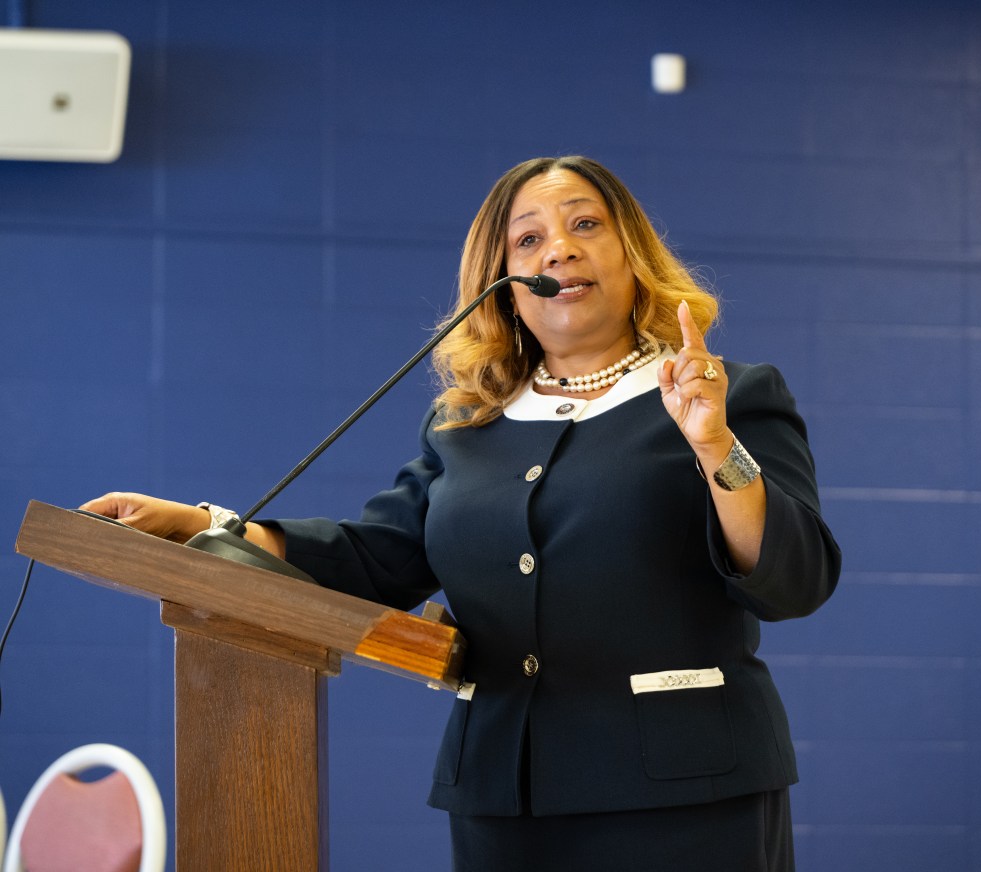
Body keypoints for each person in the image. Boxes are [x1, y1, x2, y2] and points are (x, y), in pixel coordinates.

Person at [81, 155, 841, 871]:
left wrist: (713, 446)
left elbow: (792, 580)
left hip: (688, 790)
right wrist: (203, 526)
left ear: (631, 252)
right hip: (504, 793)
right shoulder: (469, 426)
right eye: (529, 239)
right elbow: (373, 560)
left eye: (585, 225)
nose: (559, 252)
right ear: (504, 282)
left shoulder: (725, 395)